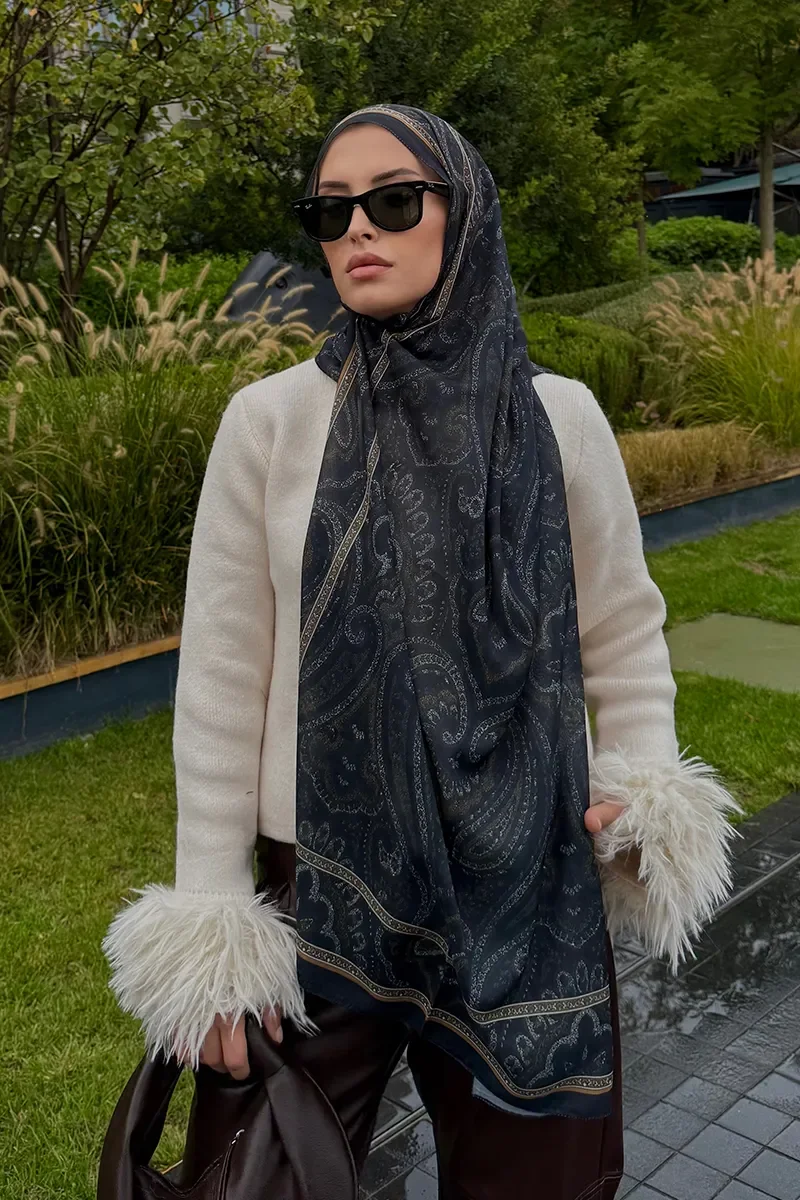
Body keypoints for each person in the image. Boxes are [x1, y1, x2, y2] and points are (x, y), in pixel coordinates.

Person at [102, 105, 739, 1199]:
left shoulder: (558, 418)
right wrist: (213, 927)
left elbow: (622, 627)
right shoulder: (269, 423)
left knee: (534, 1178)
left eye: (394, 201)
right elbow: (219, 679)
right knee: (255, 1179)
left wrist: (637, 783)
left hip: (521, 884)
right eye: (330, 211)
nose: (358, 228)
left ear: (464, 211)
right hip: (323, 884)